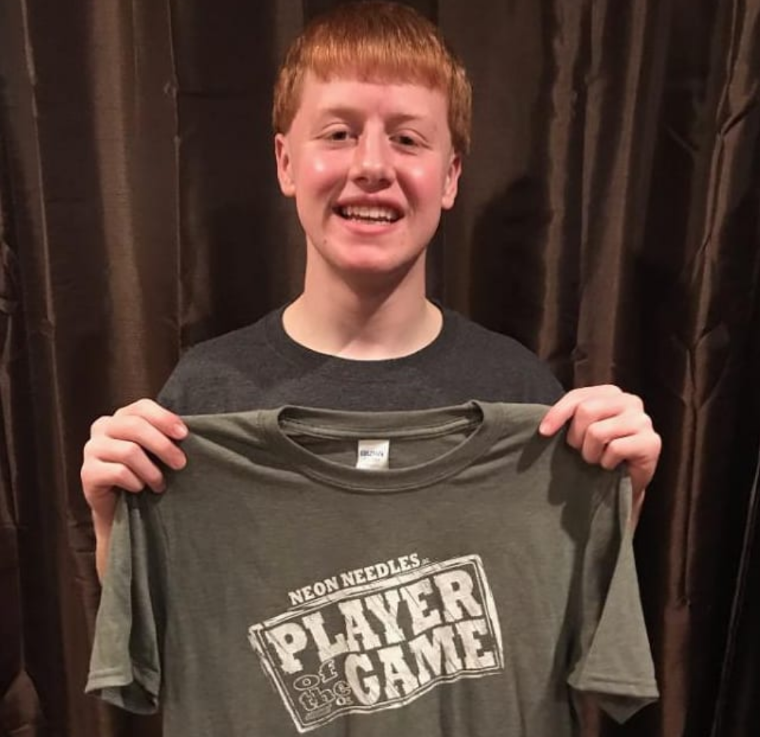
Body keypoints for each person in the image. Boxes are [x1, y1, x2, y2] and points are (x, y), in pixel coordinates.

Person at [80, 1, 661, 584]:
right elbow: (166, 619)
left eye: (407, 139)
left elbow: (564, 606)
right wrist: (114, 529)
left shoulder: (524, 400)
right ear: (286, 163)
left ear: (450, 176)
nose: (372, 166)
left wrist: (618, 499)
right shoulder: (204, 398)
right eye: (339, 134)